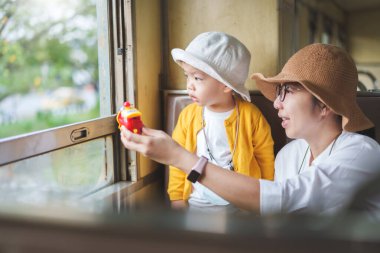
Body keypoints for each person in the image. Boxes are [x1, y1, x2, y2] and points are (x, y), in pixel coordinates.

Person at [120, 43, 380, 217]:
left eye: (287, 91)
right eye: (278, 92)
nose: (276, 103)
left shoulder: (362, 153)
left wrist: (179, 157)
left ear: (324, 105)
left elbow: (282, 199)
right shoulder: (288, 155)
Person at [167, 32, 274, 212]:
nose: (189, 85)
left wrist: (265, 202)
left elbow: (266, 161)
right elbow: (177, 160)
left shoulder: (251, 116)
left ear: (226, 85)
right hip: (196, 204)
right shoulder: (188, 116)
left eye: (197, 78)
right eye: (187, 75)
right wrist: (177, 199)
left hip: (241, 207)